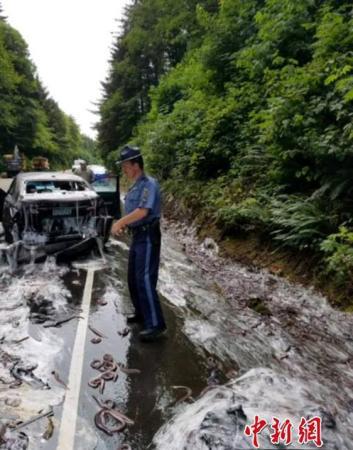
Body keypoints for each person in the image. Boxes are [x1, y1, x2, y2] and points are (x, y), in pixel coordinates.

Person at [111, 145, 166, 342]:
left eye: (125, 165)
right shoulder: (134, 186)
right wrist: (126, 225)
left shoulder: (149, 184)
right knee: (133, 278)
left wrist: (119, 222)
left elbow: (143, 212)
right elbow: (134, 213)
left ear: (135, 165)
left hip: (148, 236)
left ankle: (156, 324)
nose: (123, 169)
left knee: (144, 279)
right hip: (137, 236)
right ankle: (142, 314)